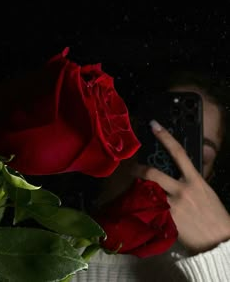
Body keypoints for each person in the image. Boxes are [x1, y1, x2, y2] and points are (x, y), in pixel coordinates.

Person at [73, 70, 230, 281]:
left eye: (197, 156)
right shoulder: (36, 236)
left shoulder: (200, 266)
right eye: (159, 141)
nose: (171, 165)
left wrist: (220, 251)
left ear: (208, 177)